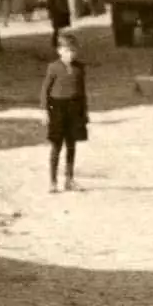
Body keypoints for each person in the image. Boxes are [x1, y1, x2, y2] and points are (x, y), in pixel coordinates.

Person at [41, 35, 88, 191]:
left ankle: (69, 179)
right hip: (57, 108)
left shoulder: (79, 68)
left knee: (71, 145)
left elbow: (82, 92)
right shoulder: (53, 67)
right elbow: (45, 90)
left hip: (74, 108)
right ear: (59, 51)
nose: (71, 54)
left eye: (74, 51)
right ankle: (52, 181)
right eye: (67, 51)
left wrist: (84, 112)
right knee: (56, 145)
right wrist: (44, 111)